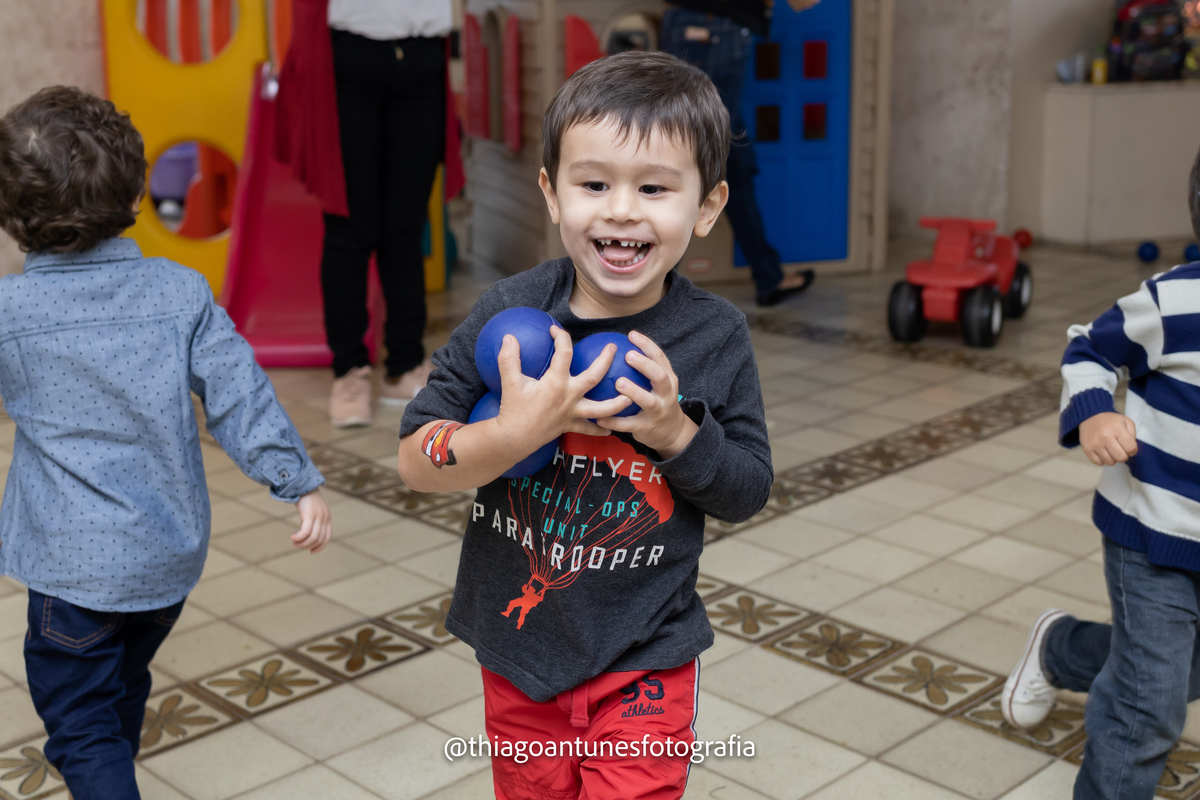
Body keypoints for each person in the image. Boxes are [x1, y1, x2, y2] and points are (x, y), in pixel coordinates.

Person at [397, 51, 773, 799]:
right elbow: (415, 455)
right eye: (594, 183)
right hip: (519, 652)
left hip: (647, 656)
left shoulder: (714, 336)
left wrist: (672, 432)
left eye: (656, 188)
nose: (622, 210)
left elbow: (748, 490)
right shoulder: (511, 314)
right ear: (551, 192)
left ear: (706, 206)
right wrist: (512, 434)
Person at [0, 86, 333, 800]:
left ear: (11, 217)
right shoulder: (181, 293)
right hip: (163, 560)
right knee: (119, 684)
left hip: (70, 569)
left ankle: (100, 776)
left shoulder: (11, 312)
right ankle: (104, 770)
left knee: (77, 719)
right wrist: (295, 479)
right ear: (136, 193)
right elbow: (239, 394)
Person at [1000, 145, 1200, 800]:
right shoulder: (1174, 304)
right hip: (1155, 537)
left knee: (1177, 669)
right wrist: (1092, 415)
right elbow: (1089, 346)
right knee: (1148, 708)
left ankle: (1062, 648)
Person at [275, 0, 464, 427]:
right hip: (348, 58)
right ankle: (349, 372)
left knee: (405, 228)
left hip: (421, 56)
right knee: (350, 229)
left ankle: (405, 363)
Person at [659, 0, 816, 307]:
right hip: (718, 27)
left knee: (711, 151)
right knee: (707, 155)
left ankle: (767, 274)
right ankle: (657, 291)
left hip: (682, 22)